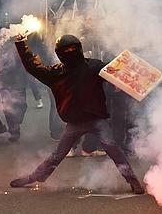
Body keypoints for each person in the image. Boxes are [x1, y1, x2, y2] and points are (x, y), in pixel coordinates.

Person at [9, 34, 144, 194]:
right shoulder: (63, 71)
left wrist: (130, 72)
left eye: (72, 49)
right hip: (76, 123)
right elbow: (33, 67)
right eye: (67, 50)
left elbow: (116, 69)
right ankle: (33, 177)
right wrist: (21, 44)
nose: (71, 52)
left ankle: (133, 180)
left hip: (95, 120)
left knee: (114, 150)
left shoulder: (90, 67)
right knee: (57, 155)